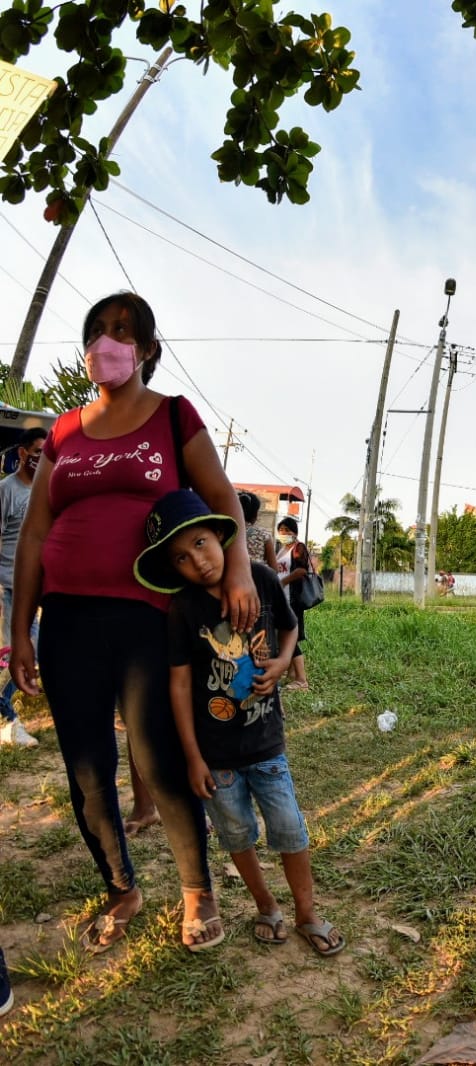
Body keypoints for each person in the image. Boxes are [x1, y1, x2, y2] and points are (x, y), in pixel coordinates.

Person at [8, 291, 257, 953]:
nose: (107, 341)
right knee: (86, 768)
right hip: (66, 621)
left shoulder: (173, 416)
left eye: (122, 331)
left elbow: (220, 494)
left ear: (147, 348)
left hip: (151, 617)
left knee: (157, 755)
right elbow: (35, 534)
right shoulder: (63, 430)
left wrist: (235, 570)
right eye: (97, 330)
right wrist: (19, 630)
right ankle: (123, 887)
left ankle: (196, 889)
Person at [137, 489, 345, 957]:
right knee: (236, 835)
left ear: (220, 536)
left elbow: (291, 627)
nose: (197, 560)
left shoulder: (260, 579)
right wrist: (192, 757)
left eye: (201, 543)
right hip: (216, 756)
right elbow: (177, 686)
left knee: (290, 830)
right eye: (181, 557)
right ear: (172, 569)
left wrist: (284, 662)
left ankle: (307, 912)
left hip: (267, 744)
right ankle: (266, 906)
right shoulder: (184, 610)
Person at [0, 427, 45, 747]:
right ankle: (8, 720)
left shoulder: (45, 491)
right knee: (13, 655)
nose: (41, 458)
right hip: (6, 586)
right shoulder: (7, 490)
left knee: (32, 650)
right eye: (36, 452)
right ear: (21, 453)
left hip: (32, 587)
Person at [275, 516, 311, 691]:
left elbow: (302, 570)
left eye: (287, 530)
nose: (283, 533)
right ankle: (290, 674)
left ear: (294, 532)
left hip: (292, 599)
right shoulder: (281, 550)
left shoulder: (298, 548)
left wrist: (283, 582)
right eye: (281, 530)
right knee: (286, 635)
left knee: (288, 637)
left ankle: (302, 680)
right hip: (281, 598)